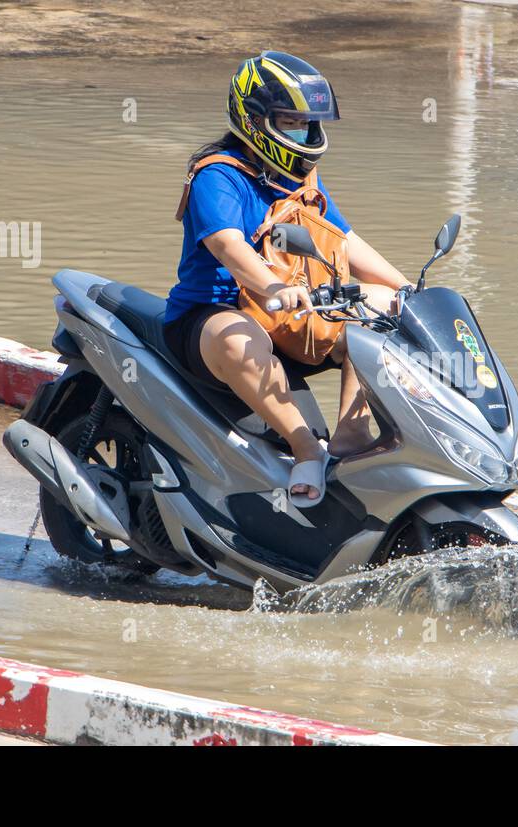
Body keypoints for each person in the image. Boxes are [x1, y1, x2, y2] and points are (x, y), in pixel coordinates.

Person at [165, 51, 411, 507]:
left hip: (295, 313)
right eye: (291, 120)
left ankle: (352, 436)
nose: (305, 133)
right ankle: (305, 450)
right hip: (215, 316)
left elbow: (347, 242)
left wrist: (409, 290)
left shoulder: (302, 177)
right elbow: (228, 245)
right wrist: (275, 288)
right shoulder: (218, 175)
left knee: (382, 307)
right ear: (255, 121)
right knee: (239, 338)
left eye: (309, 123)